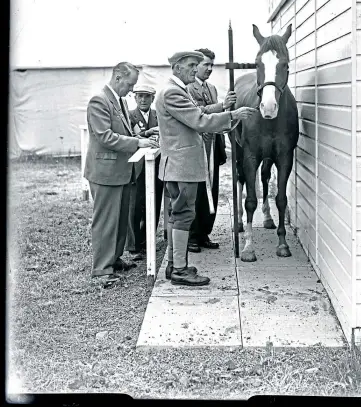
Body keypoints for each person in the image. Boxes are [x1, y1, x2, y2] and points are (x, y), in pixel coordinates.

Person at [156, 51, 256, 287]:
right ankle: (179, 269)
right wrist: (232, 114)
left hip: (179, 165)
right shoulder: (173, 92)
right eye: (191, 65)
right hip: (182, 166)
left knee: (178, 214)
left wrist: (223, 111)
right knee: (183, 215)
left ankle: (175, 263)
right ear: (177, 68)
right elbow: (199, 121)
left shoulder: (177, 90)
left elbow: (199, 114)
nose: (195, 69)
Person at [84, 62, 158, 287]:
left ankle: (114, 259)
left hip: (121, 171)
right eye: (130, 84)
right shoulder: (99, 101)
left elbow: (122, 131)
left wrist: (145, 134)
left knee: (120, 220)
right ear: (117, 77)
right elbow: (105, 137)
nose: (131, 89)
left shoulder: (120, 101)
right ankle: (102, 270)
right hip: (105, 172)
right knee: (107, 221)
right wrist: (138, 142)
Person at [187, 48, 237, 253]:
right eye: (205, 64)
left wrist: (228, 112)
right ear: (195, 65)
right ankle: (191, 235)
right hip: (196, 148)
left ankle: (204, 232)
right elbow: (198, 113)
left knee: (212, 191)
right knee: (196, 192)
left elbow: (216, 116)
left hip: (213, 146)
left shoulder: (212, 88)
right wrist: (222, 106)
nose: (209, 68)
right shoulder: (188, 89)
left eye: (211, 64)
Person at [128, 84, 163, 260]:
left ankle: (148, 240)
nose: (143, 100)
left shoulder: (158, 115)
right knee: (136, 206)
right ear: (135, 98)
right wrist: (147, 133)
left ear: (152, 98)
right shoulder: (130, 116)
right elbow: (132, 137)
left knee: (155, 202)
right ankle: (135, 245)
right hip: (137, 167)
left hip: (157, 165)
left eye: (147, 96)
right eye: (140, 96)